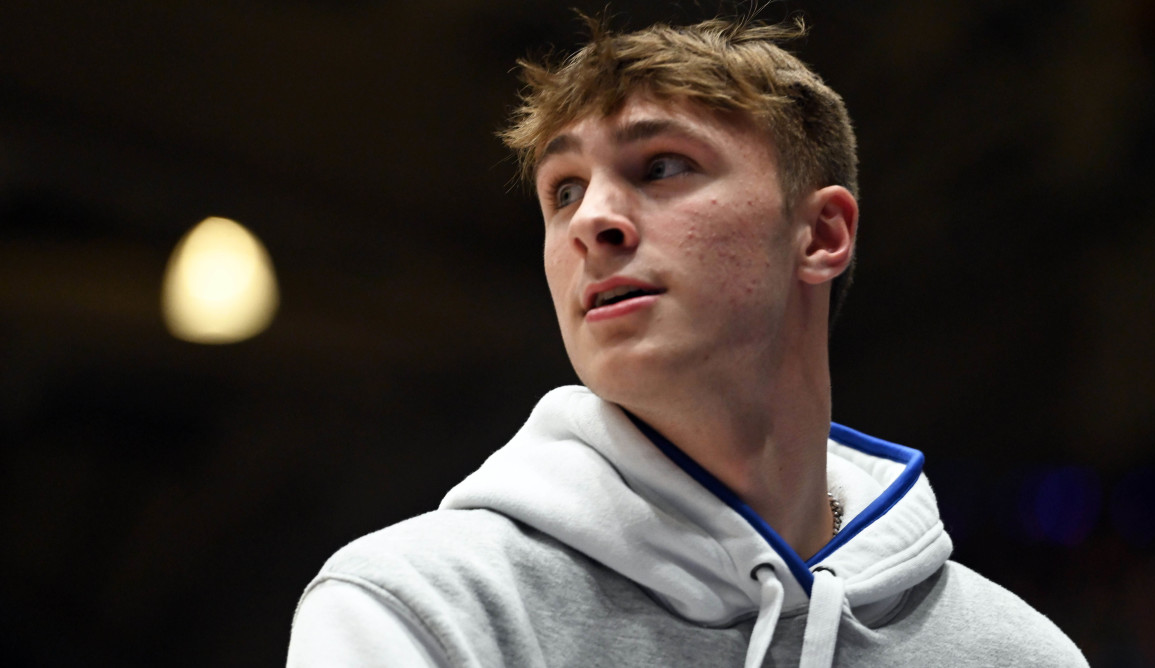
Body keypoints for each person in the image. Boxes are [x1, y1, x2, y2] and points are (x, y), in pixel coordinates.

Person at [287, 14, 1087, 667]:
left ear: (821, 234)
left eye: (662, 166)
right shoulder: (414, 608)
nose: (591, 221)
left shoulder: (1021, 656)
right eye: (563, 190)